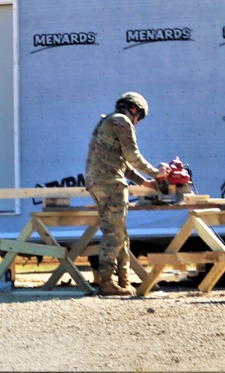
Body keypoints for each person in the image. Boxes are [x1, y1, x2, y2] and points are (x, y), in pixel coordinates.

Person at [85, 92, 169, 296]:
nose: (137, 122)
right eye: (139, 117)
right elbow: (133, 156)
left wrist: (145, 182)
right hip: (110, 184)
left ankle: (123, 281)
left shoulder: (108, 122)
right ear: (133, 110)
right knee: (113, 234)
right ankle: (106, 281)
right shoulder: (122, 122)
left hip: (101, 182)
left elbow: (121, 162)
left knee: (120, 233)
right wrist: (156, 173)